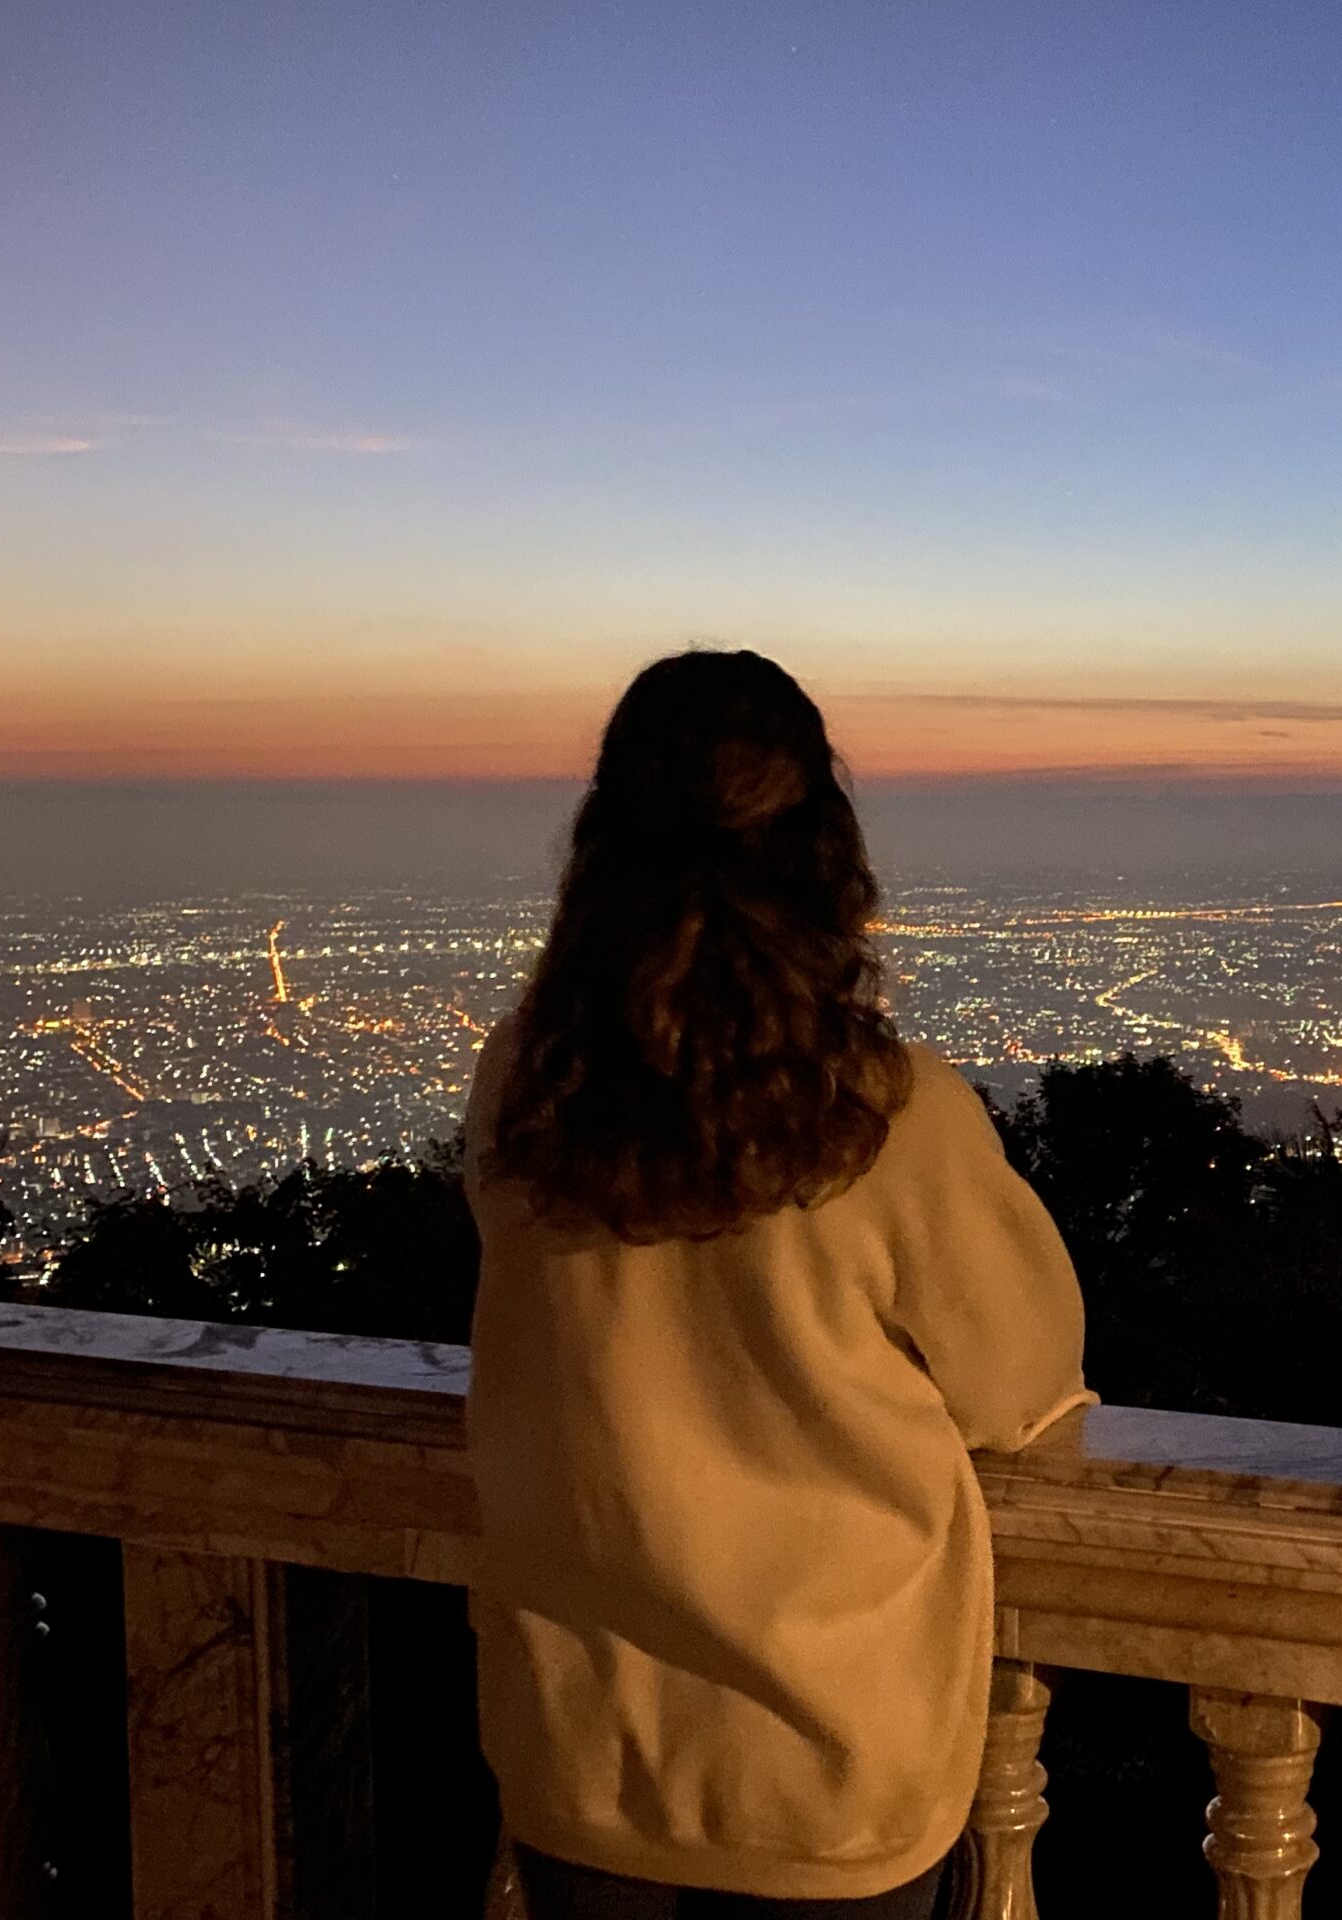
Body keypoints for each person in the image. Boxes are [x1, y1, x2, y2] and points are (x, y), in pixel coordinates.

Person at [462, 650, 1092, 1920]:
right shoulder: (890, 1118)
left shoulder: (527, 1086)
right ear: (822, 850)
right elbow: (1025, 1391)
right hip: (831, 1775)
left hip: (583, 1753)